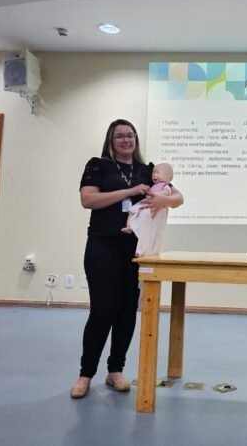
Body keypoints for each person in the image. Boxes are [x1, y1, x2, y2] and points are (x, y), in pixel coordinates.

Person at [70, 119, 184, 399]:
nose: (126, 140)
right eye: (119, 136)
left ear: (136, 139)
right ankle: (86, 374)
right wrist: (130, 192)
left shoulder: (148, 170)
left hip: (136, 252)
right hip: (102, 246)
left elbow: (178, 196)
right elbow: (88, 200)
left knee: (126, 312)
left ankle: (115, 371)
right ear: (111, 141)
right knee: (102, 311)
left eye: (130, 135)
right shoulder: (98, 165)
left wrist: (165, 201)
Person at [121, 162, 174, 257]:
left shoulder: (165, 186)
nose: (154, 175)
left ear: (167, 175)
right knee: (132, 211)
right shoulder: (153, 185)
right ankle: (129, 226)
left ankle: (143, 251)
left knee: (150, 232)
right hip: (147, 202)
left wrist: (155, 195)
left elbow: (166, 193)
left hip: (156, 205)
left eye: (157, 173)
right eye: (153, 173)